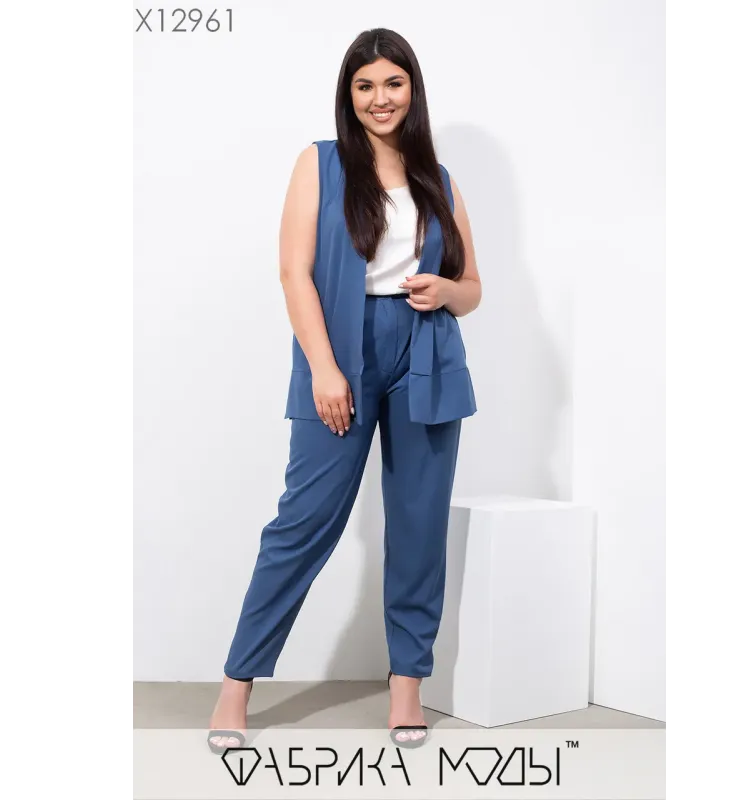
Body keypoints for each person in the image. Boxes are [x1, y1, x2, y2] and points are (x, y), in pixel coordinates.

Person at [208, 27, 481, 753]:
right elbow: (293, 272)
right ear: (348, 94)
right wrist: (326, 370)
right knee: (304, 522)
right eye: (365, 86)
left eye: (393, 83)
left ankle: (406, 689)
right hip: (340, 349)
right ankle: (235, 684)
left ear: (412, 90)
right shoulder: (320, 163)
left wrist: (446, 290)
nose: (379, 98)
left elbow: (473, 288)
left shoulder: (438, 178)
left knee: (419, 525)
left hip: (426, 350)